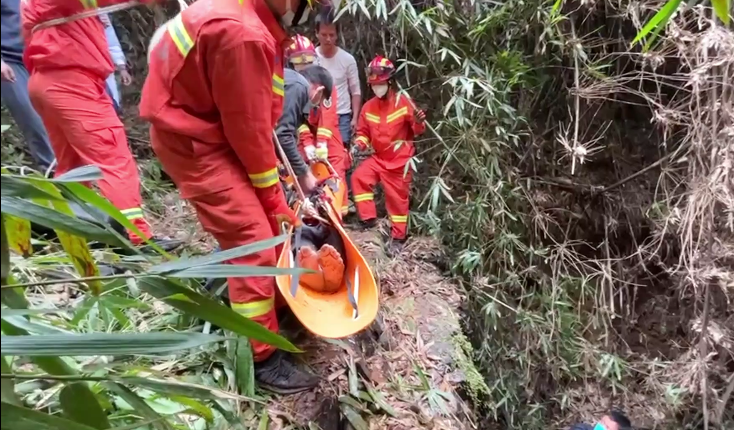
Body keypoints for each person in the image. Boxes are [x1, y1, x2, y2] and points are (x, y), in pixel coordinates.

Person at [140, 0, 335, 394]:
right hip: (198, 144)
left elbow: (258, 115)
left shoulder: (256, 24)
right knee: (254, 245)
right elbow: (248, 131)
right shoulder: (243, 34)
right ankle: (262, 357)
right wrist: (274, 199)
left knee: (266, 234)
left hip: (210, 131)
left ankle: (273, 309)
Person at [21, 0, 163, 246]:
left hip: (53, 81)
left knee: (72, 166)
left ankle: (75, 230)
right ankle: (135, 237)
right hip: (71, 82)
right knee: (113, 160)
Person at [351, 56, 426, 251]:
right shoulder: (368, 107)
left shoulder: (404, 102)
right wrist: (358, 145)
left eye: (381, 83)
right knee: (359, 177)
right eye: (374, 84)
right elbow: (363, 133)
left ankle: (398, 238)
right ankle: (368, 220)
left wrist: (418, 121)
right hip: (379, 158)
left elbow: (418, 131)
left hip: (400, 161)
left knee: (397, 200)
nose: (378, 87)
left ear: (390, 82)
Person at [284, 34, 350, 217]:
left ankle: (337, 212)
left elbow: (327, 116)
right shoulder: (289, 86)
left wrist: (321, 143)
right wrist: (306, 142)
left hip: (327, 133)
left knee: (335, 164)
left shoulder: (324, 82)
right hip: (301, 134)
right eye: (299, 64)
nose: (304, 69)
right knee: (298, 165)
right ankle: (303, 209)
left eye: (307, 64)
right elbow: (294, 121)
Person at [1, 0, 55, 173]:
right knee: (32, 119)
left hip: (43, 57)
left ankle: (80, 174)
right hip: (10, 61)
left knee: (59, 116)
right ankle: (55, 174)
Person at [314, 10, 361, 148]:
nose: (328, 39)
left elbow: (355, 91)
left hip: (342, 115)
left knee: (341, 150)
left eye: (331, 35)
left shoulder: (347, 60)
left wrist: (355, 118)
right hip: (318, 114)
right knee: (320, 153)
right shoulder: (310, 57)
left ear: (337, 35)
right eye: (324, 34)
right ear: (316, 33)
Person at [100, 13, 132, 115]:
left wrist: (122, 68)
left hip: (104, 73)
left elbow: (112, 43)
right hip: (79, 77)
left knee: (112, 109)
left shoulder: (100, 15)